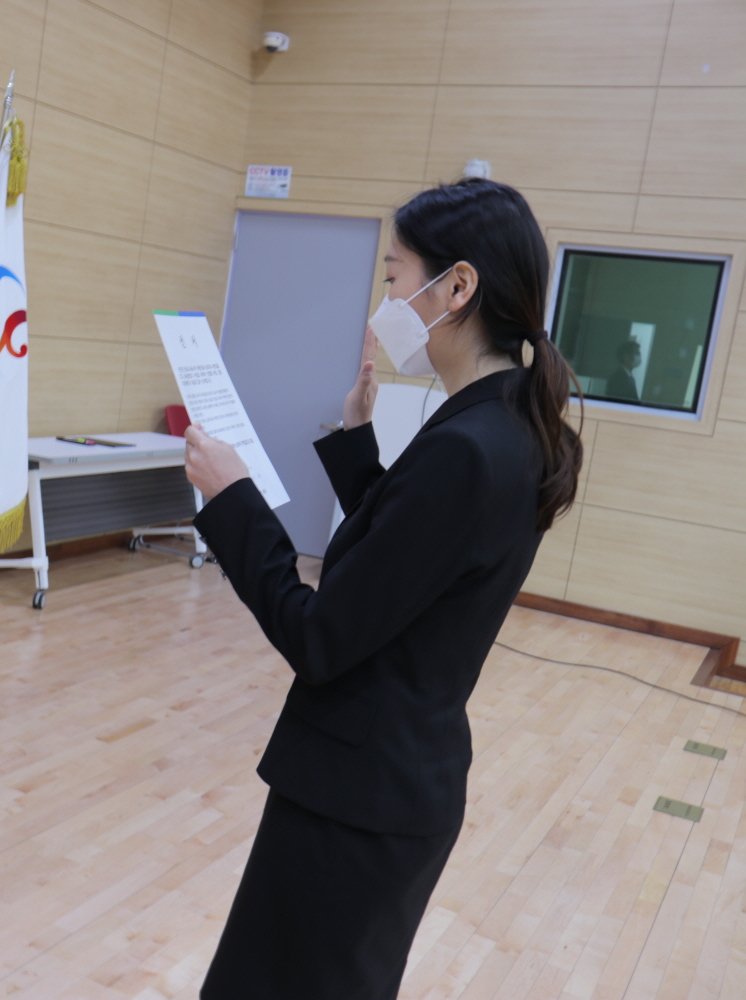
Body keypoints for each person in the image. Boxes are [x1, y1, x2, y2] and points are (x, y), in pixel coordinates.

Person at [183, 178, 582, 999]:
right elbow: (409, 565)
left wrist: (233, 500)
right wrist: (359, 443)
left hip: (356, 802)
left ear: (458, 287)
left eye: (396, 275)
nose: (386, 301)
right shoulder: (505, 423)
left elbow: (322, 634)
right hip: (389, 789)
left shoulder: (469, 447)